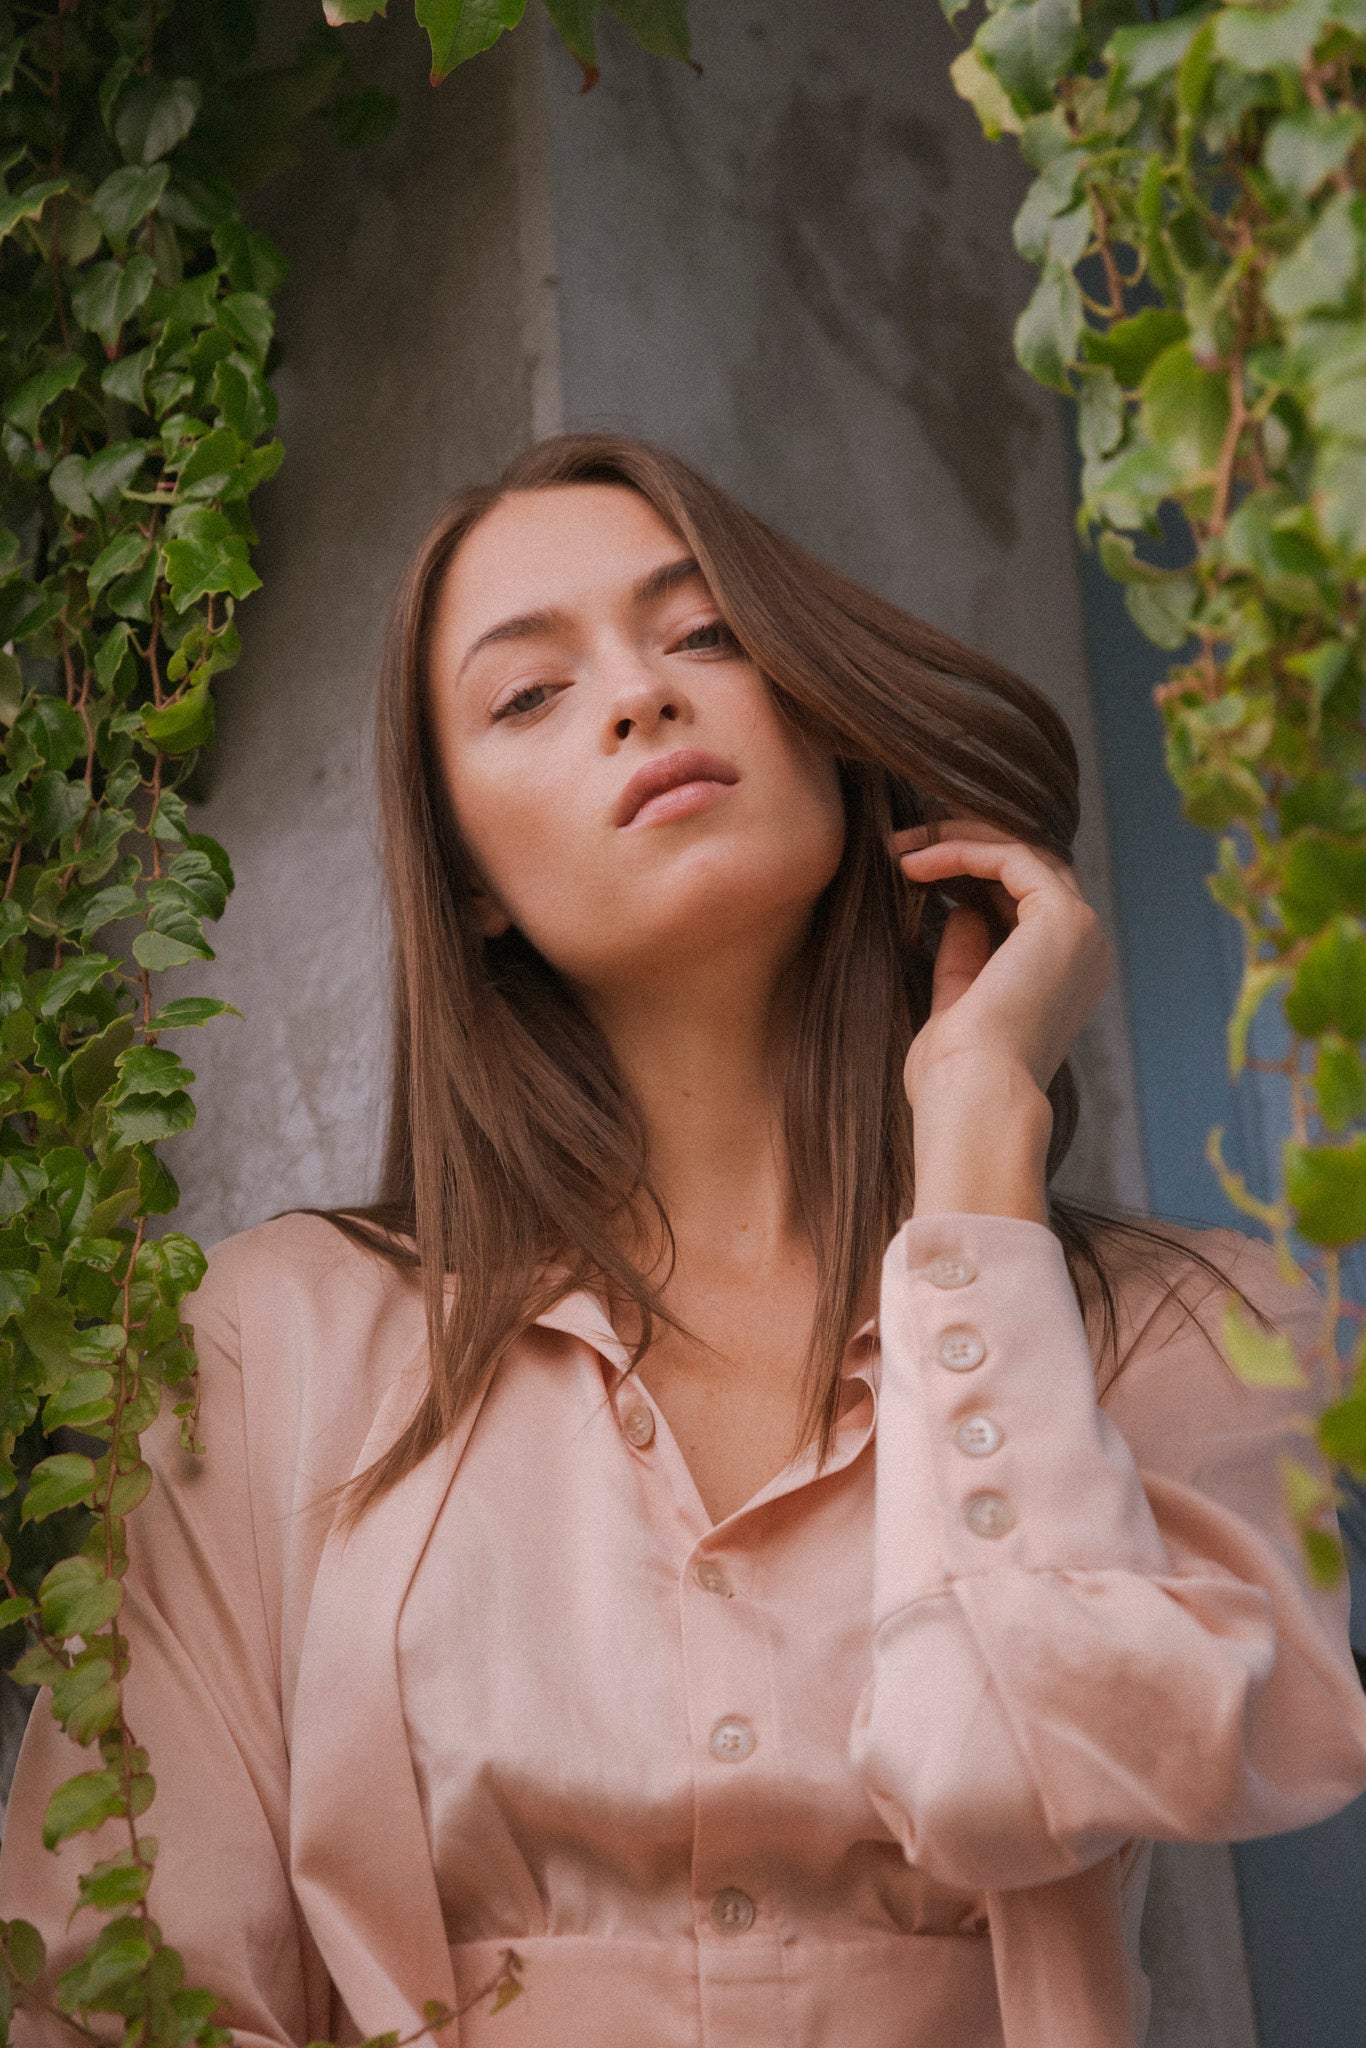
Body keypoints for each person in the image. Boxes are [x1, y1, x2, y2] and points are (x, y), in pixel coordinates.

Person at [3, 433, 1366, 2048]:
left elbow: (1023, 1772)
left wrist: (980, 1138)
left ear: (824, 713)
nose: (640, 699)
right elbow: (119, 1986)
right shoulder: (267, 1341)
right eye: (527, 694)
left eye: (703, 634)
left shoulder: (1188, 1333)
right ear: (471, 880)